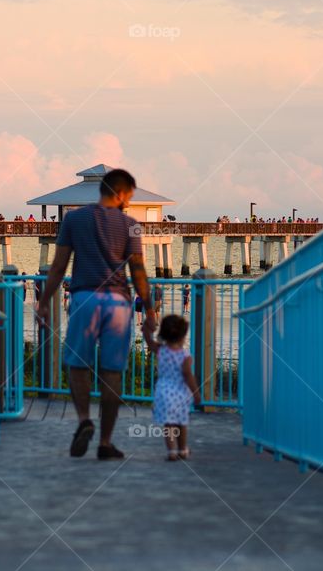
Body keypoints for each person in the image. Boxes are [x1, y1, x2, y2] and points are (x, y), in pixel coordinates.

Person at [35, 168, 156, 460]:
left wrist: (43, 303)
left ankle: (83, 420)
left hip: (84, 297)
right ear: (123, 193)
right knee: (112, 371)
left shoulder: (73, 219)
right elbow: (138, 271)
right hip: (118, 302)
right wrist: (150, 309)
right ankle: (105, 442)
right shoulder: (131, 225)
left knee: (77, 364)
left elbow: (59, 266)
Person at [148, 315, 200, 460]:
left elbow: (149, 342)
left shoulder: (160, 350)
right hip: (180, 394)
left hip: (163, 392)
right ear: (183, 335)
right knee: (182, 423)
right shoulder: (185, 356)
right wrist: (196, 393)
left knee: (169, 424)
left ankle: (171, 451)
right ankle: (183, 449)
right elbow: (187, 375)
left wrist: (146, 330)